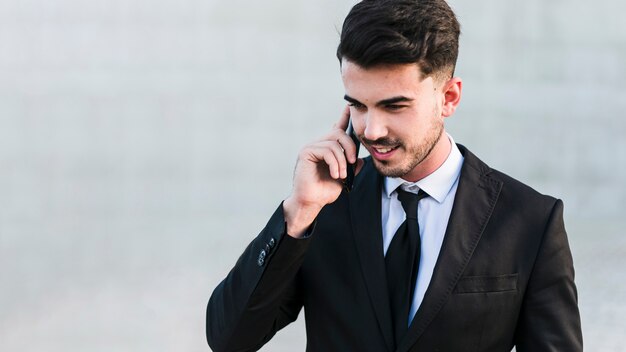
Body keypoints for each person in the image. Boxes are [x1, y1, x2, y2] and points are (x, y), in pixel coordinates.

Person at [206, 0, 583, 351]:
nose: (371, 130)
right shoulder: (324, 206)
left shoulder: (530, 221)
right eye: (358, 105)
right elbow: (229, 339)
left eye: (394, 106)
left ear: (449, 97)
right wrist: (299, 212)